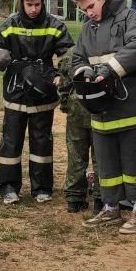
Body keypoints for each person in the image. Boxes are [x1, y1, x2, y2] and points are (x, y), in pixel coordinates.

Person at [70, 0, 136, 234]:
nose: (89, 13)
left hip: (134, 108)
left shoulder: (132, 17)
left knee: (134, 162)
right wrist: (84, 72)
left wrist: (110, 70)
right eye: (84, 10)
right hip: (103, 110)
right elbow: (77, 57)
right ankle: (111, 208)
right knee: (106, 164)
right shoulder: (88, 28)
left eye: (91, 6)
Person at [0, 0, 72, 204]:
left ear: (42, 2)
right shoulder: (10, 24)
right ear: (22, 3)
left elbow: (69, 54)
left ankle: (42, 188)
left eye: (37, 4)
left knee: (41, 141)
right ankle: (8, 187)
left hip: (43, 91)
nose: (33, 9)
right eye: (29, 4)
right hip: (15, 90)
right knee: (11, 141)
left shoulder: (55, 25)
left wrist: (63, 74)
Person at [56, 52, 100, 213]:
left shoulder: (71, 54)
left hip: (77, 107)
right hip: (99, 107)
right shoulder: (106, 51)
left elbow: (63, 84)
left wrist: (65, 105)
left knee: (76, 154)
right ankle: (100, 199)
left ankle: (74, 199)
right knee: (101, 156)